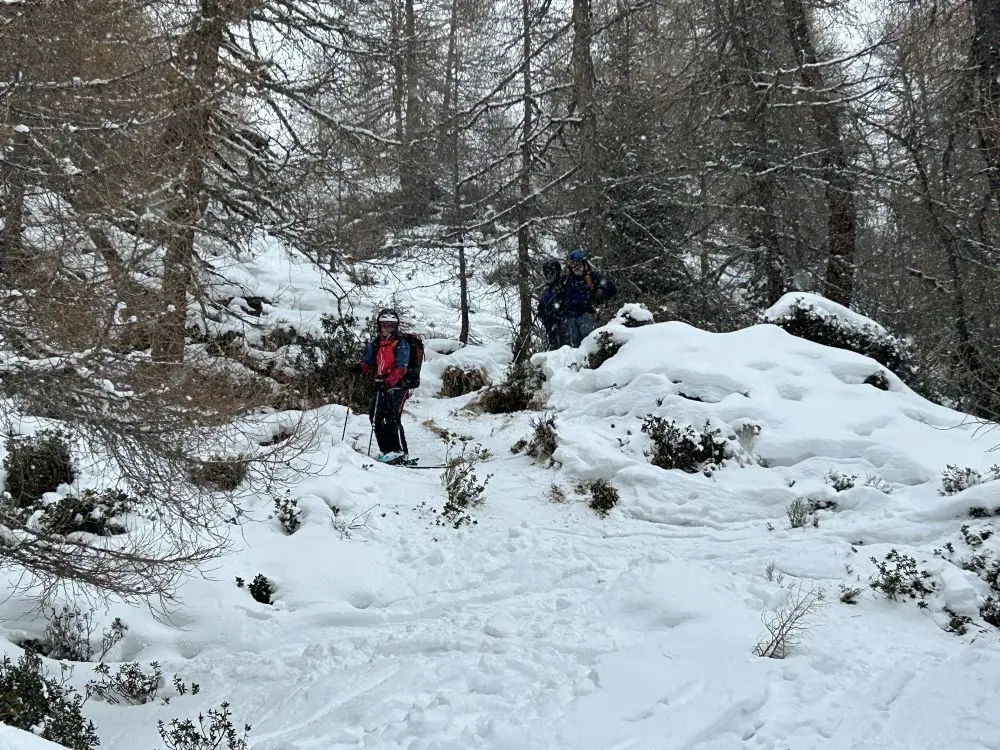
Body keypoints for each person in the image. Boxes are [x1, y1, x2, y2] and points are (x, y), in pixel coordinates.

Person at [360, 309, 411, 462]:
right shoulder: (376, 343)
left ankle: (399, 452)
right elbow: (368, 362)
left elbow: (401, 368)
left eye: (391, 325)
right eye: (384, 325)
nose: (387, 328)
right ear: (379, 325)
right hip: (380, 384)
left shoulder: (401, 343)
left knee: (392, 417)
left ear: (396, 326)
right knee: (375, 417)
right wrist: (360, 368)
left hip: (398, 386)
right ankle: (386, 451)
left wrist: (389, 382)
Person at [561, 248, 616, 347]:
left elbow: (611, 288)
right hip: (572, 320)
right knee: (575, 349)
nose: (576, 268)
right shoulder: (568, 280)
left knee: (591, 345)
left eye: (578, 265)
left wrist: (601, 293)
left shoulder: (591, 276)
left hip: (587, 316)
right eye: (573, 265)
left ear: (584, 263)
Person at [536, 259, 566, 350]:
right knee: (554, 347)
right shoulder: (547, 290)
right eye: (546, 274)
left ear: (556, 273)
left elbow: (567, 304)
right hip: (551, 325)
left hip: (563, 324)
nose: (548, 276)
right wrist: (541, 311)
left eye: (551, 273)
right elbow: (543, 309)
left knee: (565, 347)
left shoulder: (563, 284)